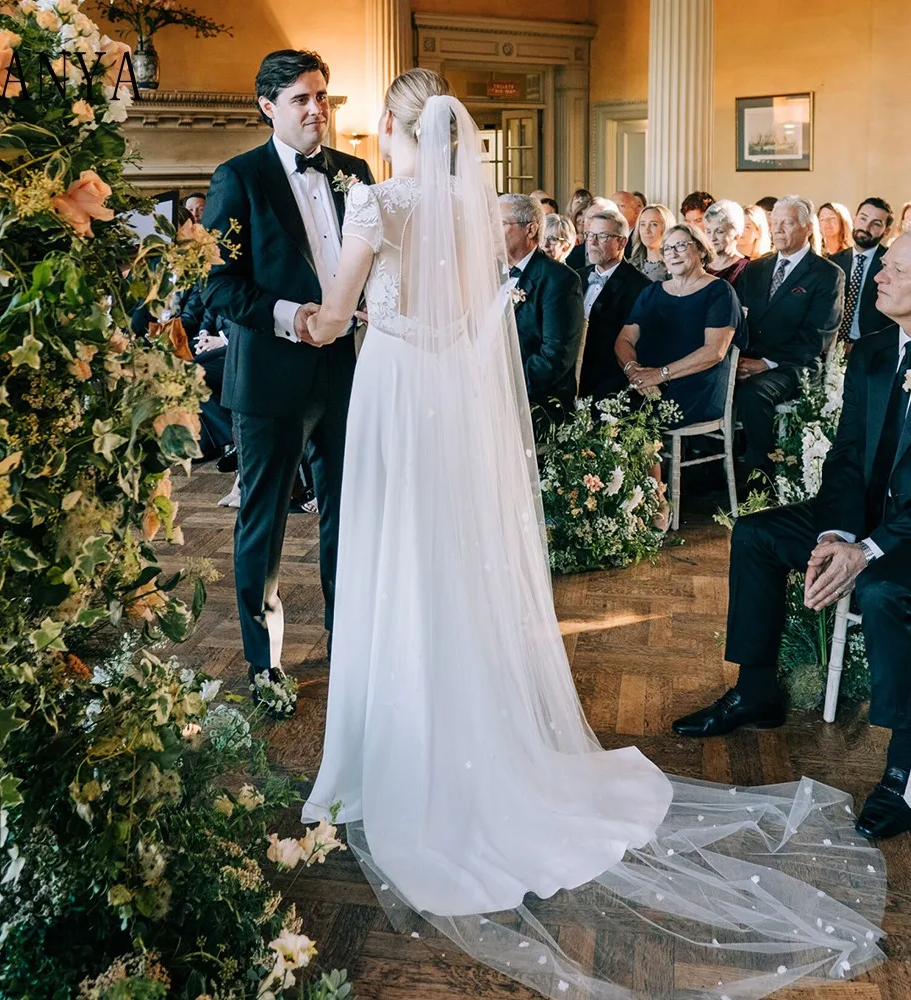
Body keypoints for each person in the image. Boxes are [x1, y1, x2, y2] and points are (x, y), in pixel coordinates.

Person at [297, 68, 885, 997]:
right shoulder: (463, 206)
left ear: (388, 125)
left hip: (391, 397)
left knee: (392, 562)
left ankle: (393, 748)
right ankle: (472, 730)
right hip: (443, 403)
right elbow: (471, 323)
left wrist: (315, 315)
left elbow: (333, 317)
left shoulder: (377, 202)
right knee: (447, 564)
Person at [673, 232, 911, 842]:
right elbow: (849, 454)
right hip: (859, 517)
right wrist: (836, 531)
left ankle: (904, 769)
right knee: (755, 535)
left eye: (895, 267)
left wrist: (868, 551)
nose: (878, 276)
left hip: (906, 537)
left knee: (886, 597)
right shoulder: (878, 350)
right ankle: (756, 690)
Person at [200, 49, 373, 706]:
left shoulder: (354, 174)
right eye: (301, 99)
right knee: (264, 522)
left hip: (347, 372)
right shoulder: (237, 178)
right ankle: (265, 665)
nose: (316, 110)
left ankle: (347, 640)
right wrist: (291, 316)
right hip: (271, 378)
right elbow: (218, 286)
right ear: (268, 106)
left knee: (347, 514)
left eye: (322, 97)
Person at [734, 195, 845, 479]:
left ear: (807, 227)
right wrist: (736, 360)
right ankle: (714, 465)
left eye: (787, 223)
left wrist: (766, 363)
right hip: (750, 359)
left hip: (795, 365)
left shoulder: (827, 274)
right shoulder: (756, 268)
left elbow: (816, 338)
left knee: (753, 393)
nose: (778, 229)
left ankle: (761, 473)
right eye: (774, 223)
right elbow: (740, 322)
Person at [616, 223, 742, 427]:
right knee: (602, 405)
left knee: (635, 420)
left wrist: (659, 374)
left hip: (696, 384)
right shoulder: (652, 292)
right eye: (667, 248)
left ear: (701, 250)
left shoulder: (719, 291)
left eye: (681, 246)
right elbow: (624, 339)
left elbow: (714, 352)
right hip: (646, 381)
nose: (673, 253)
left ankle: (649, 458)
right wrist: (634, 372)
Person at [500, 193, 584, 436]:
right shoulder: (489, 275)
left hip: (534, 402)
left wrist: (502, 387)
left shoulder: (559, 280)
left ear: (531, 229)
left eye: (502, 224)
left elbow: (554, 358)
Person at [577, 207, 650, 399]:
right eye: (589, 234)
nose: (591, 242)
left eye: (601, 236)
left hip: (609, 380)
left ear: (622, 242)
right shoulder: (576, 277)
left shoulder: (641, 287)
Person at [831, 197, 894, 342]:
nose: (866, 228)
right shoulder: (833, 261)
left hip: (872, 346)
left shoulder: (892, 264)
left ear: (886, 231)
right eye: (863, 219)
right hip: (832, 345)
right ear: (854, 219)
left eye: (876, 224)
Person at [703, 199, 749, 286]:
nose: (712, 238)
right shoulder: (700, 265)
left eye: (719, 231)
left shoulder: (746, 269)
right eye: (708, 231)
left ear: (736, 235)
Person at [629, 202, 675, 282]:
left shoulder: (675, 268)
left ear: (666, 228)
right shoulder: (630, 265)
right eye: (642, 224)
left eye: (654, 224)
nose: (646, 230)